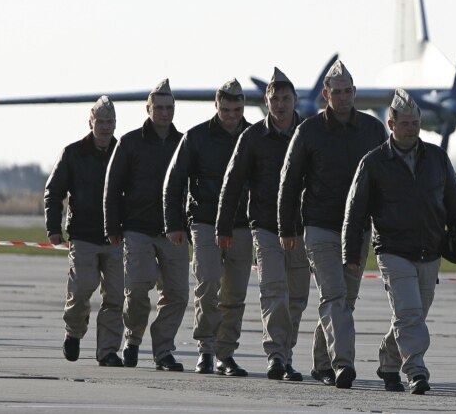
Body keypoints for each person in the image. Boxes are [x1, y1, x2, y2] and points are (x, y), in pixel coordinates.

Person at [342, 88, 456, 395]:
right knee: (408, 313)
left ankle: (388, 363)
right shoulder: (373, 162)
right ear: (391, 124)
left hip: (430, 249)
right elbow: (356, 211)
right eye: (405, 123)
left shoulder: (438, 158)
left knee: (414, 313)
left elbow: (455, 204)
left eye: (415, 123)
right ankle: (416, 370)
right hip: (392, 250)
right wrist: (351, 254)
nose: (411, 129)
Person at [278, 60, 387, 389]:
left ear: (354, 93)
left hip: (357, 228)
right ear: (326, 94)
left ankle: (321, 363)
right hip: (321, 226)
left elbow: (385, 181)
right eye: (336, 92)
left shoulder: (372, 130)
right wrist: (287, 228)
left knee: (344, 300)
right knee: (334, 294)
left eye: (347, 91)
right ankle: (343, 365)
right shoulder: (308, 131)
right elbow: (290, 181)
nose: (342, 97)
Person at [217, 68, 308, 381]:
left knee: (297, 296)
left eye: (285, 98)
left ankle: (286, 351)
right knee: (273, 290)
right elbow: (233, 183)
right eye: (274, 99)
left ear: (295, 100)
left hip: (300, 227)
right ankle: (276, 357)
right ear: (266, 102)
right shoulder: (253, 137)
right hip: (266, 226)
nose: (280, 104)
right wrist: (223, 226)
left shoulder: (309, 134)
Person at [163, 78, 252, 377]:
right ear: (216, 106)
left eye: (237, 109)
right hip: (204, 221)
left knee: (235, 294)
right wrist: (174, 224)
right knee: (208, 283)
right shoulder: (196, 137)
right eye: (226, 109)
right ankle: (205, 349)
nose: (232, 115)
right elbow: (174, 183)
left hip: (242, 224)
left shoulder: (254, 137)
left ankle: (226, 353)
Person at [104, 78, 188, 371]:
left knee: (177, 294)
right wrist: (112, 228)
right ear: (148, 109)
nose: (165, 113)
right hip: (137, 228)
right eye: (160, 108)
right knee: (138, 289)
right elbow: (112, 186)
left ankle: (163, 350)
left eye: (170, 108)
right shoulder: (129, 142)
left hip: (174, 230)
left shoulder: (184, 143)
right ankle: (133, 339)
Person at [45, 95, 125, 367]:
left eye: (110, 122)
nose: (105, 127)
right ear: (90, 122)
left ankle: (108, 351)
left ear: (116, 124)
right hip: (83, 235)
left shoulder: (124, 152)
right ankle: (74, 331)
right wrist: (53, 228)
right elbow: (53, 192)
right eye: (100, 122)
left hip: (116, 237)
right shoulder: (73, 153)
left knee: (115, 297)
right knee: (81, 291)